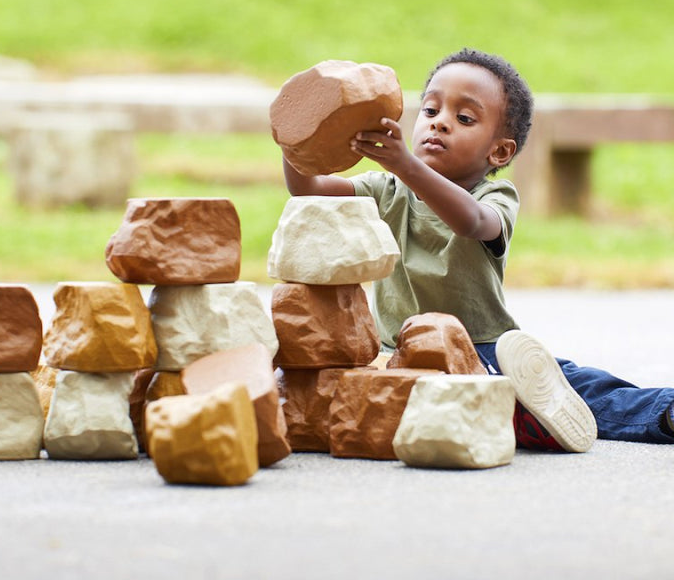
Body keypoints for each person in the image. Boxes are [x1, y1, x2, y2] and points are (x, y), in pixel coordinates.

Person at [281, 48, 674, 451]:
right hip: (395, 353)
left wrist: (406, 166)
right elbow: (308, 189)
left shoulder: (495, 195)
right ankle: (515, 416)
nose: (440, 124)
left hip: (482, 348)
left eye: (463, 118)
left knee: (581, 386)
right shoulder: (387, 189)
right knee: (322, 390)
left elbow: (470, 222)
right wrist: (295, 134)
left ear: (499, 152)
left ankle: (659, 412)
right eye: (430, 111)